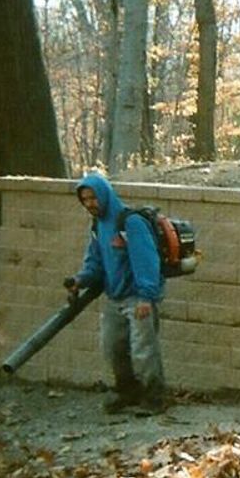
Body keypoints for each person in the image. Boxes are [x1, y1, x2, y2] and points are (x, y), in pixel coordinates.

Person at [67, 173, 166, 414]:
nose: (90, 203)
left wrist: (146, 297)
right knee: (112, 348)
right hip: (114, 298)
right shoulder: (98, 226)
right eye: (85, 199)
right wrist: (81, 280)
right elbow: (95, 263)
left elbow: (147, 261)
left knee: (143, 350)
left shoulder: (130, 222)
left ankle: (155, 398)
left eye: (93, 197)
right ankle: (128, 391)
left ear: (105, 195)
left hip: (137, 298)